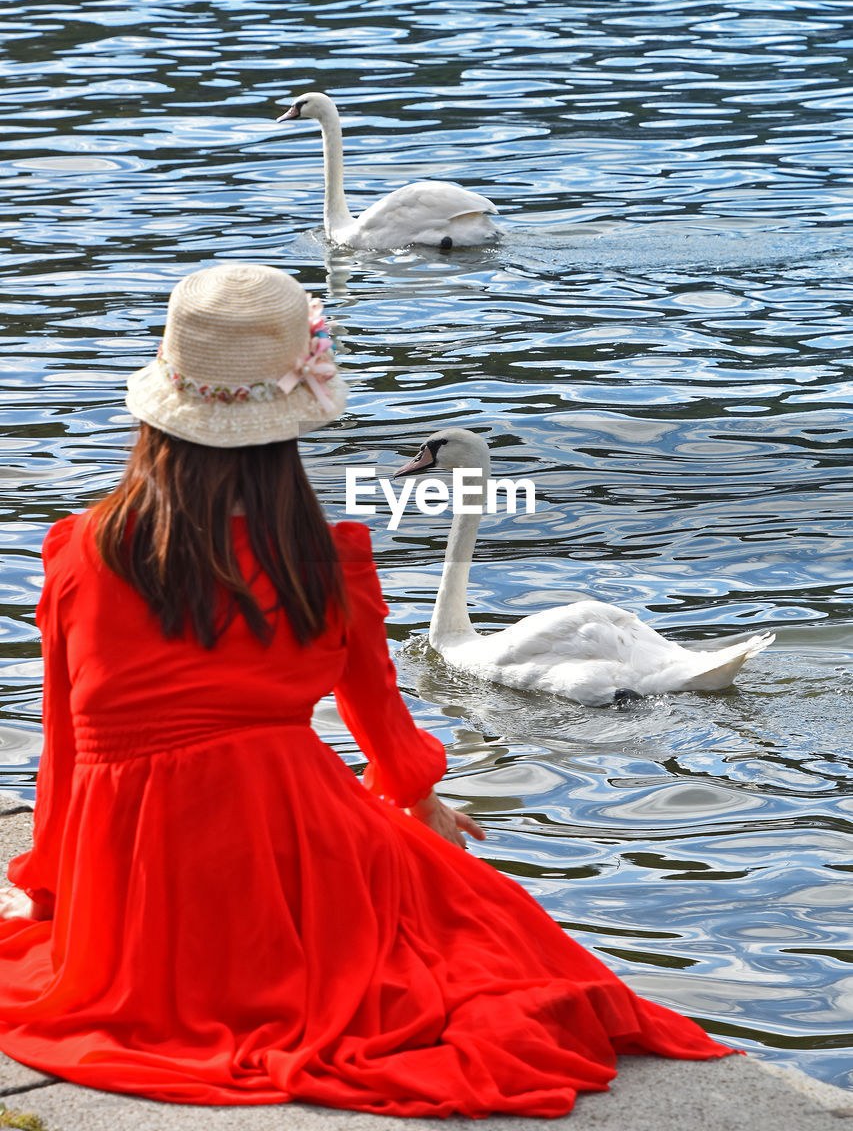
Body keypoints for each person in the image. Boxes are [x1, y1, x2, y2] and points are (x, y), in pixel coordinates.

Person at [0, 263, 731, 1117]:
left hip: (131, 857)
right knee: (478, 926)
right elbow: (379, 721)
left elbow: (65, 736)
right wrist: (415, 806)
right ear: (287, 432)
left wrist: (59, 881)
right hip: (279, 824)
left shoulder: (78, 552)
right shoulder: (323, 560)